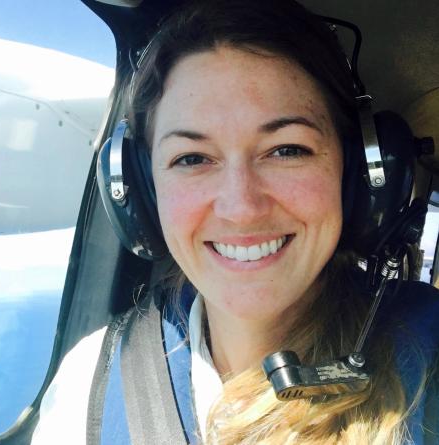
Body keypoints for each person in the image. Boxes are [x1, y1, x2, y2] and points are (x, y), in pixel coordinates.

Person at [31, 1, 439, 444]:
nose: (241, 207)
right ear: (142, 193)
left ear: (357, 174)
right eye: (192, 158)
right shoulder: (90, 383)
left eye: (287, 150)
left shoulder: (429, 353)